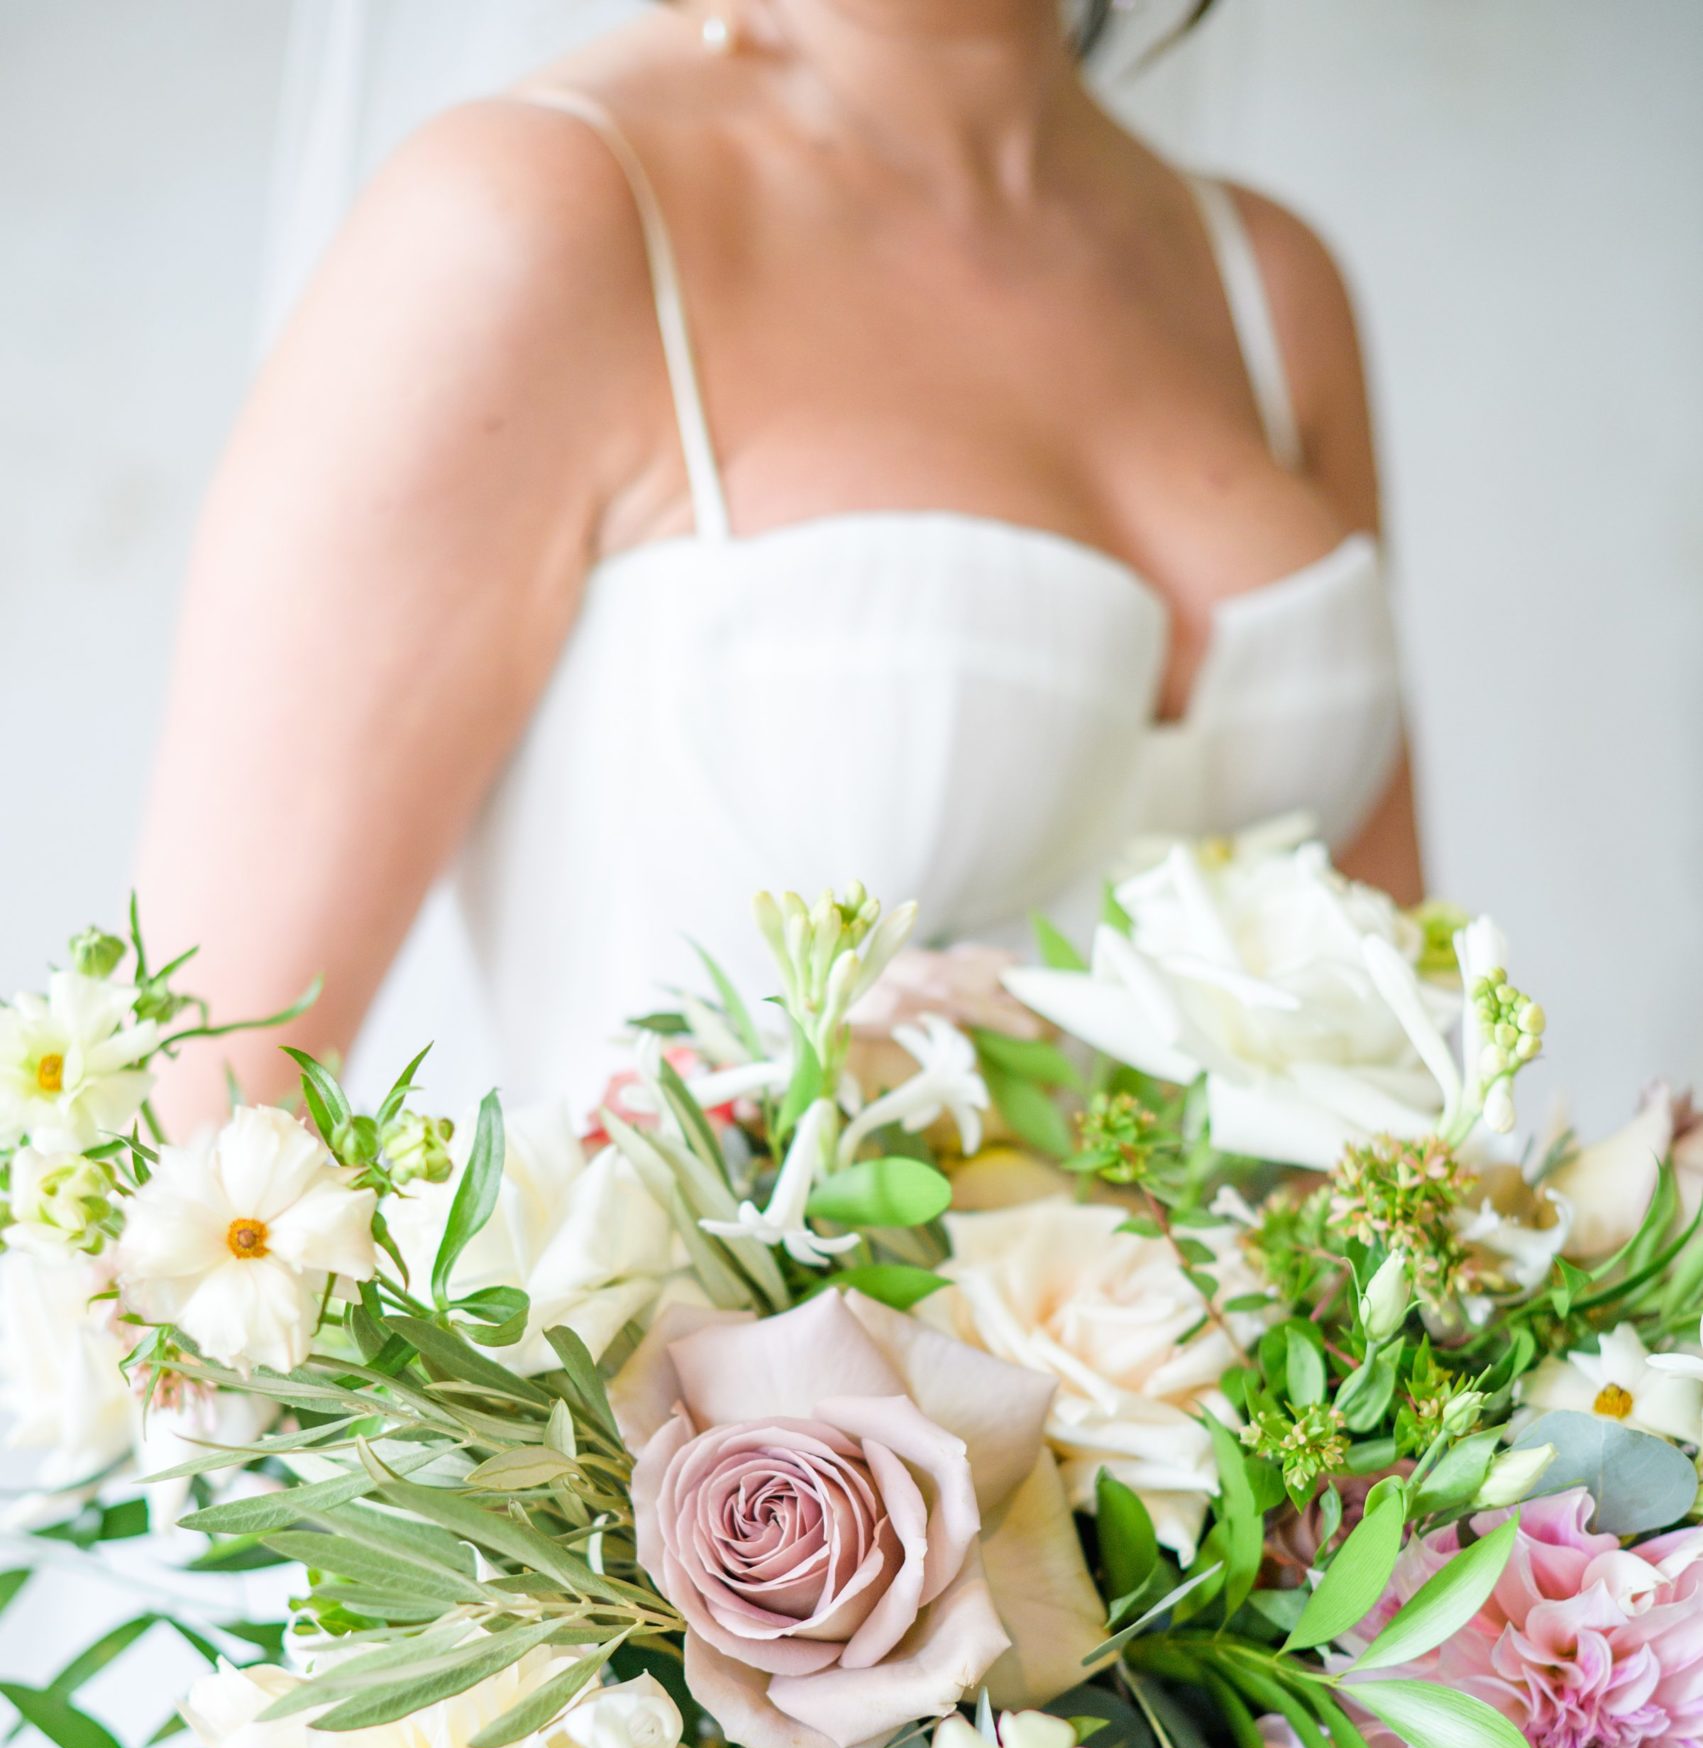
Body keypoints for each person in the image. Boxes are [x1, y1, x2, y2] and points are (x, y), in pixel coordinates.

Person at [84, 5, 1429, 1748]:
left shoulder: (1270, 288)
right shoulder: (542, 216)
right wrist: (656, 1694)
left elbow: (1396, 1087)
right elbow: (192, 1168)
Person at [135, 0, 1413, 1131]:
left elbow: (1405, 1037)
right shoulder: (539, 207)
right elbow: (196, 1117)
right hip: (703, 1398)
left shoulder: (1267, 283)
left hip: (1278, 1401)